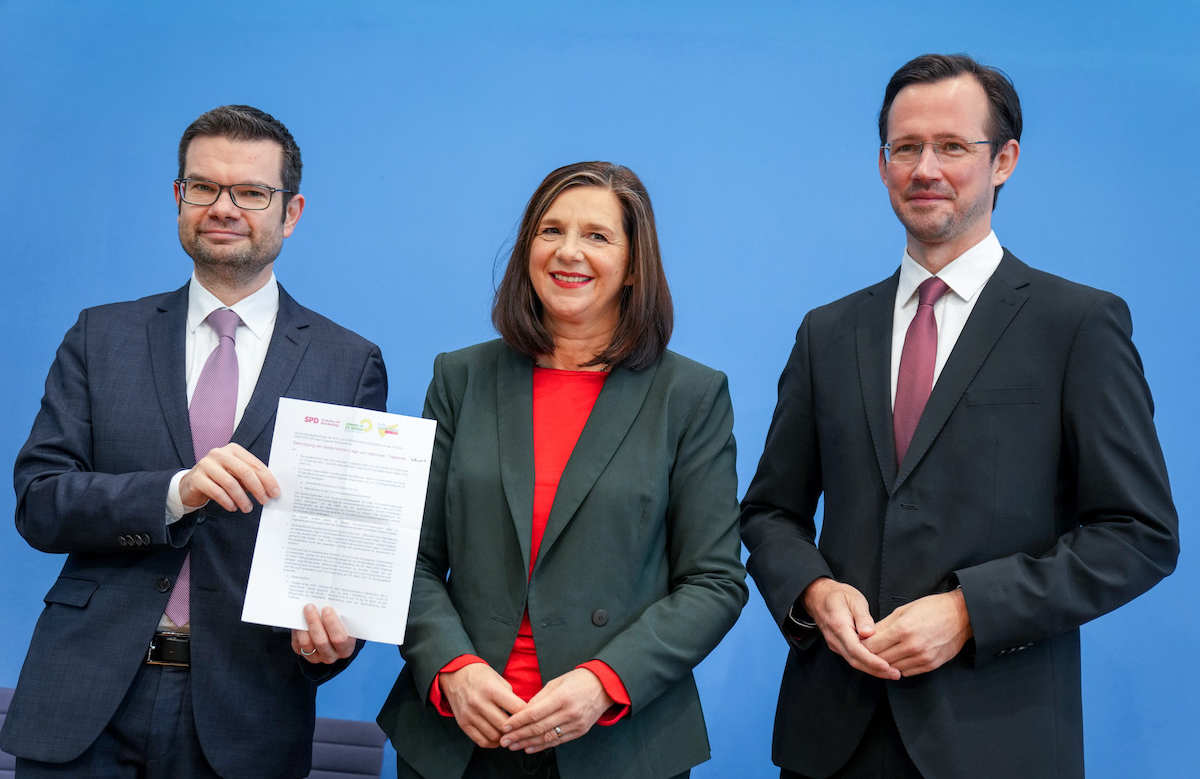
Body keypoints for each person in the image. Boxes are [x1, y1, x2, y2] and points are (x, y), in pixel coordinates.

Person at [740, 54, 1179, 779]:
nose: (925, 168)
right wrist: (814, 591)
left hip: (996, 739)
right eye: (905, 147)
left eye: (952, 146)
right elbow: (769, 512)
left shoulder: (1078, 324)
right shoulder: (828, 331)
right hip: (832, 740)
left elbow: (1139, 534)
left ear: (1003, 160)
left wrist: (972, 610)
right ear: (882, 165)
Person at [0, 105, 386, 779]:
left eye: (251, 193)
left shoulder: (348, 362)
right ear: (178, 199)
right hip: (84, 696)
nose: (223, 207)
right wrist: (176, 491)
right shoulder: (101, 337)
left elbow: (341, 554)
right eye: (202, 187)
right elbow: (39, 501)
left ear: (290, 212)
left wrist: (331, 642)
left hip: (246, 707)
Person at [377, 161, 747, 779]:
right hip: (460, 734)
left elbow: (714, 581)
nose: (568, 252)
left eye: (597, 236)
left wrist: (606, 682)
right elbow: (406, 559)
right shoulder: (460, 378)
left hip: (616, 743)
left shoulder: (691, 395)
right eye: (550, 231)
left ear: (633, 267)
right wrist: (452, 668)